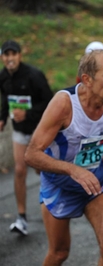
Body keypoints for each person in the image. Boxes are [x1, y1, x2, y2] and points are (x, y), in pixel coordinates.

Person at [24, 50, 103, 266]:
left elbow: (98, 133)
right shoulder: (64, 104)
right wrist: (73, 170)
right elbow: (31, 154)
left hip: (95, 181)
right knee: (60, 253)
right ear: (87, 79)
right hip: (60, 184)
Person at [0, 39, 53, 236]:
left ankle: (52, 210)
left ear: (19, 56)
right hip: (20, 131)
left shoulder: (34, 75)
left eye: (13, 54)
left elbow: (50, 103)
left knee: (42, 171)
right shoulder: (3, 77)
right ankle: (21, 217)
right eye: (7, 55)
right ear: (2, 57)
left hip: (39, 130)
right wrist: (2, 119)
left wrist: (28, 112)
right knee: (20, 170)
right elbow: (6, 99)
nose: (10, 58)